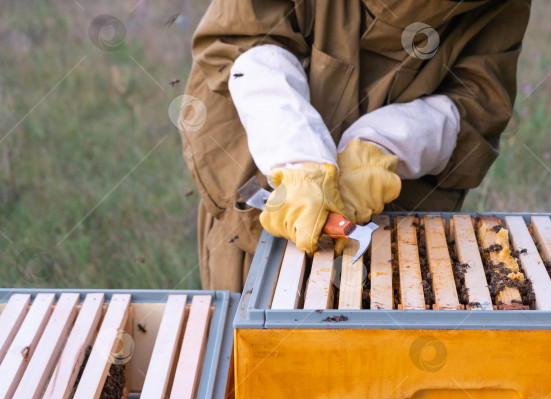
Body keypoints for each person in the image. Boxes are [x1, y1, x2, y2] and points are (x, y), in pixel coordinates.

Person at [180, 0, 531, 292]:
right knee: (254, 351)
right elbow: (248, 42)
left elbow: (477, 102)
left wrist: (385, 145)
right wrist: (297, 159)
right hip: (263, 191)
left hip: (397, 227)